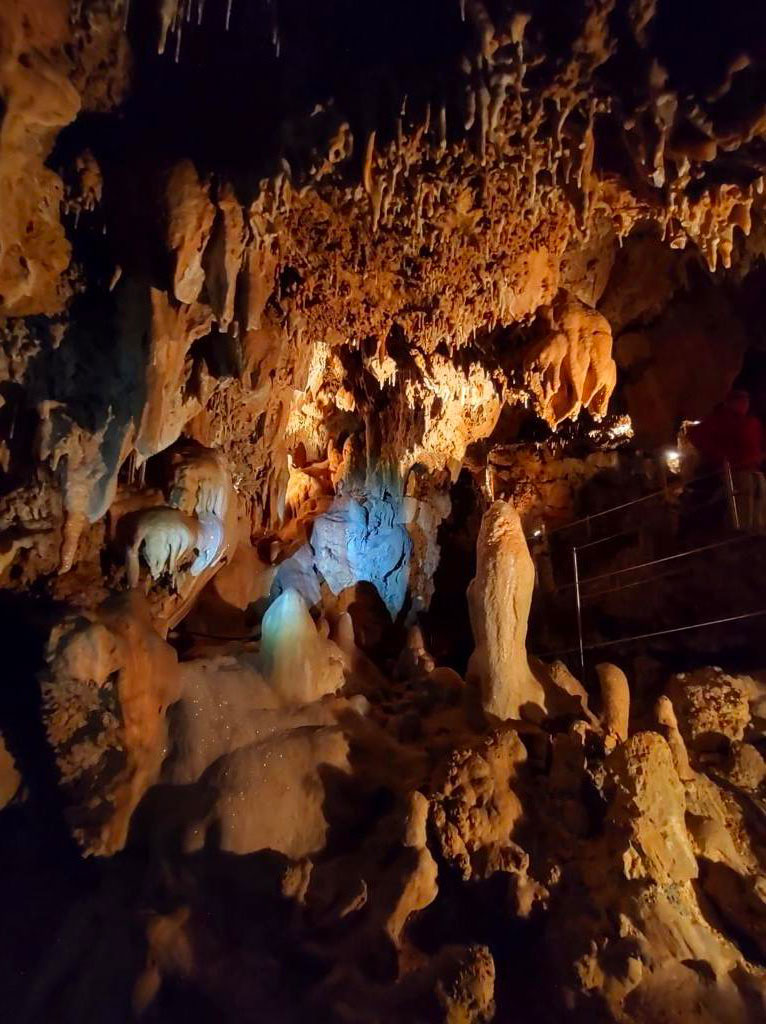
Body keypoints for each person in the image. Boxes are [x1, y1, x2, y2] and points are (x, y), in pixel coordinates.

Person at [688, 390, 765, 529]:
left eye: (746, 401)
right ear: (731, 403)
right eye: (741, 401)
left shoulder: (751, 422)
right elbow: (696, 435)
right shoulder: (721, 420)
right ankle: (743, 534)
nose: (745, 404)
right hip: (736, 471)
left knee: (759, 504)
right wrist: (721, 457)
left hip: (754, 469)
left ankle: (757, 532)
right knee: (743, 506)